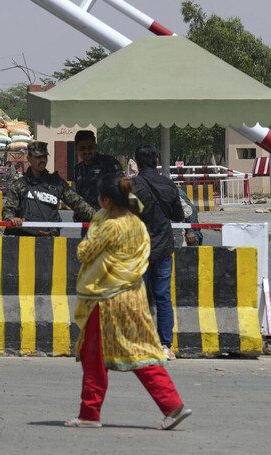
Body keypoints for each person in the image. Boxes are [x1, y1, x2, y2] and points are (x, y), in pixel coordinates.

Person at [64, 174, 192, 430]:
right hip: (133, 297)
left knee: (93, 357)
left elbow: (84, 252)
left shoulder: (110, 226)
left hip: (107, 299)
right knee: (140, 350)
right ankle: (171, 403)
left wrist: (96, 227)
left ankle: (89, 414)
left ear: (107, 200)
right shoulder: (137, 223)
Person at [131, 144, 184, 360]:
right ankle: (165, 346)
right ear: (156, 161)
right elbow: (179, 216)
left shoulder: (131, 185)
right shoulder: (168, 184)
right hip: (163, 248)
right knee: (163, 297)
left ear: (137, 162)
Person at [2, 141, 95, 236]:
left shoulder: (56, 183)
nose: (42, 160)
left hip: (51, 241)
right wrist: (12, 220)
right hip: (25, 242)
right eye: (38, 157)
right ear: (29, 158)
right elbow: (8, 211)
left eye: (44, 157)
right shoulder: (20, 184)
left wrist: (99, 217)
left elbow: (78, 203)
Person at [73, 130, 123, 221]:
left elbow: (121, 189)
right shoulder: (78, 169)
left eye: (90, 147)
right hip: (87, 223)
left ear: (95, 147)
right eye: (82, 148)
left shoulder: (109, 163)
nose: (87, 151)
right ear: (76, 149)